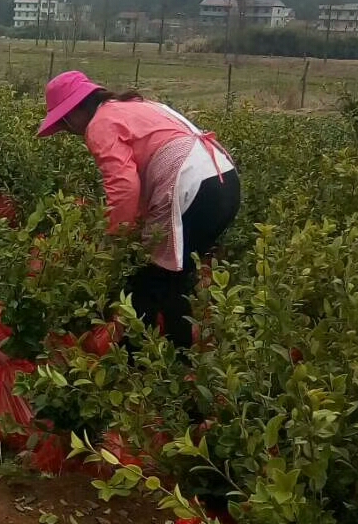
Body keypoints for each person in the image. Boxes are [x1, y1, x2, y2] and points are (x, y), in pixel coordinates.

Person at [37, 71, 240, 348]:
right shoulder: (137, 105)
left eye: (64, 123)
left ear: (74, 113)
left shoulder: (100, 124)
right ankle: (177, 360)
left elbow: (124, 186)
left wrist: (115, 241)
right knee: (174, 280)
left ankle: (135, 360)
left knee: (147, 282)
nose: (69, 130)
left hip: (194, 187)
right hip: (224, 181)